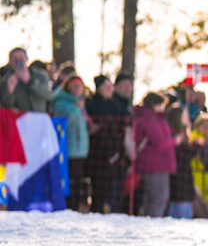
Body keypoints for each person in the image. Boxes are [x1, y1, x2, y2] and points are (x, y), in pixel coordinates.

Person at [86, 75, 129, 213]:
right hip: (97, 154)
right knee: (98, 189)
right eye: (106, 87)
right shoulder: (92, 104)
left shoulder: (116, 105)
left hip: (115, 153)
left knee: (112, 190)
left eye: (111, 86)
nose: (109, 89)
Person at [51, 75, 91, 210]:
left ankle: (76, 207)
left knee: (78, 181)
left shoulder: (81, 103)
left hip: (81, 149)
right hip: (67, 148)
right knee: (69, 180)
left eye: (79, 86)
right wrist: (76, 108)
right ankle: (67, 206)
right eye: (74, 85)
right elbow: (64, 122)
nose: (77, 89)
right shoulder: (61, 102)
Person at [133, 92, 176, 217]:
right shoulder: (151, 119)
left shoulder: (147, 117)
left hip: (152, 164)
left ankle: (146, 223)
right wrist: (174, 140)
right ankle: (152, 226)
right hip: (156, 165)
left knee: (149, 200)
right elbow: (160, 142)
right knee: (158, 199)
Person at [165, 105, 196, 219]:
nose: (187, 117)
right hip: (178, 180)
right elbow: (181, 157)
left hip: (183, 180)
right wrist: (196, 147)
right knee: (180, 213)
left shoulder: (184, 135)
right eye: (185, 115)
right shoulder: (174, 135)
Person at [1, 48, 51, 112]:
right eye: (15, 59)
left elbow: (48, 95)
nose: (18, 61)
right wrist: (10, 90)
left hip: (38, 117)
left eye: (21, 58)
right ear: (10, 62)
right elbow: (5, 105)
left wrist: (30, 82)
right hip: (19, 118)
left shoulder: (40, 76)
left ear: (26, 59)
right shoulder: (5, 80)